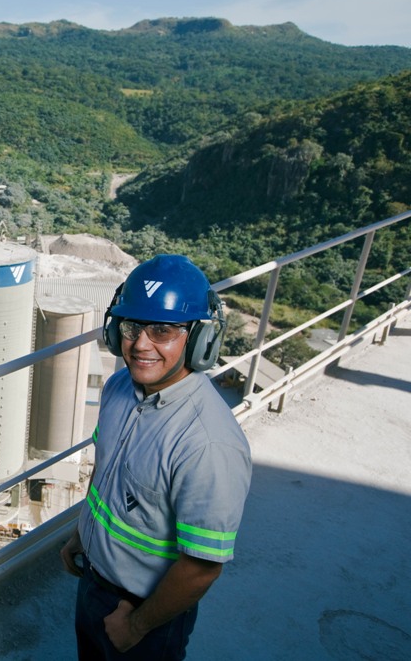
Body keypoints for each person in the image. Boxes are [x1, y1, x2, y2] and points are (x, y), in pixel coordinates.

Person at [61, 254, 252, 660]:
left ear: (199, 340)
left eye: (163, 330)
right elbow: (107, 473)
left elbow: (202, 567)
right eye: (132, 327)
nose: (141, 344)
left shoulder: (208, 443)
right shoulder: (117, 389)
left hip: (148, 614)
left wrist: (136, 625)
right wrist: (83, 534)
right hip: (93, 584)